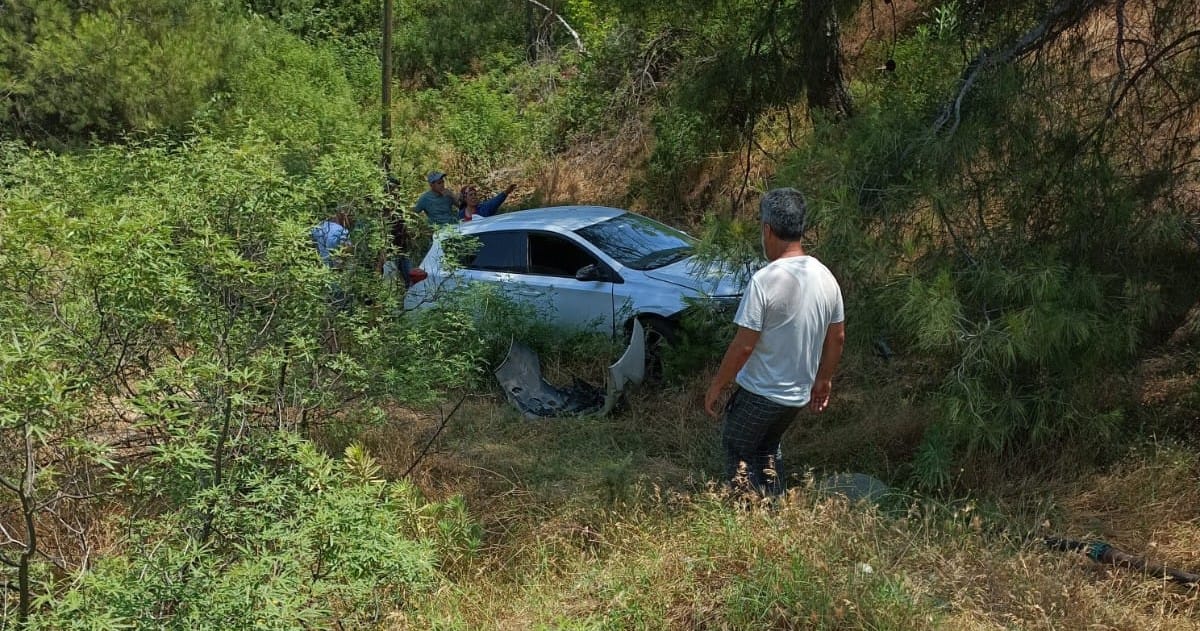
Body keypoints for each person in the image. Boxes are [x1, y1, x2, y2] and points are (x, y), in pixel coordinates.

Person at [704, 188, 845, 497]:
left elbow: (743, 346)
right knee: (767, 450)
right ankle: (776, 508)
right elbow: (837, 337)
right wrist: (823, 380)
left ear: (767, 229)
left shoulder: (765, 280)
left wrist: (717, 385)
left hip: (761, 392)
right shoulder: (825, 277)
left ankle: (747, 512)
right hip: (795, 396)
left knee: (737, 447)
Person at [380, 176, 413, 287]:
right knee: (390, 282)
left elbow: (403, 226)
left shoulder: (399, 207)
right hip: (390, 252)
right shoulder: (382, 209)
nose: (396, 193)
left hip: (403, 249)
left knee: (411, 279)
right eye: (394, 190)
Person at [311, 204, 352, 269]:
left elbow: (314, 245)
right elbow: (348, 247)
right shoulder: (341, 230)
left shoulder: (317, 227)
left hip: (322, 265)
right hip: (336, 263)